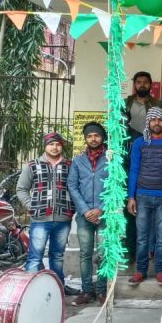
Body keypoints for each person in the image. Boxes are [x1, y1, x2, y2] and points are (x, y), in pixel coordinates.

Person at [17, 132, 77, 295]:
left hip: (63, 218)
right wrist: (31, 206)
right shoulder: (32, 165)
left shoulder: (69, 165)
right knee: (35, 257)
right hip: (40, 219)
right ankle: (29, 292)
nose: (54, 147)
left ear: (62, 146)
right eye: (51, 144)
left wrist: (72, 208)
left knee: (57, 256)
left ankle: (58, 289)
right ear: (45, 146)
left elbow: (75, 188)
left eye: (58, 144)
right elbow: (21, 189)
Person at [127, 107, 162, 286]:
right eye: (153, 120)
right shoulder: (139, 143)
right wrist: (131, 197)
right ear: (148, 122)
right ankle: (140, 271)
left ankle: (160, 271)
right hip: (142, 196)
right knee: (142, 237)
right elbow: (134, 169)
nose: (156, 123)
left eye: (160, 119)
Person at [67, 122, 108, 306]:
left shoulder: (111, 159)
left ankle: (101, 290)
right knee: (85, 254)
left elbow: (116, 185)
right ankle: (86, 291)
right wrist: (85, 210)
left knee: (103, 253)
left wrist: (101, 209)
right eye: (89, 136)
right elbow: (72, 186)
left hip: (104, 215)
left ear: (102, 138)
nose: (93, 139)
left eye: (96, 135)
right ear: (85, 138)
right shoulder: (78, 160)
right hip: (84, 216)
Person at [124, 71, 159, 140]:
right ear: (134, 85)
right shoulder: (125, 103)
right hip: (128, 141)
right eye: (139, 82)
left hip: (150, 141)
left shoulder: (157, 104)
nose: (142, 85)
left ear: (150, 85)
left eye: (145, 82)